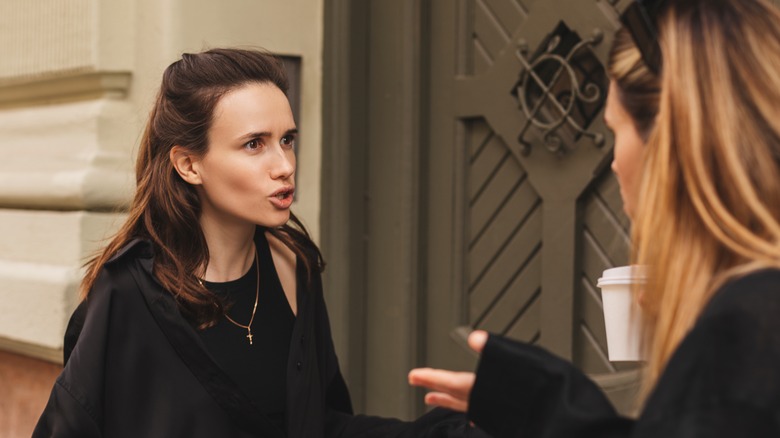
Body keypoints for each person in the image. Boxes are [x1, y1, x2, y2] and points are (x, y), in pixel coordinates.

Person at [33, 48, 486, 438]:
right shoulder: (128, 293)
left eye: (287, 140)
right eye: (254, 144)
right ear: (189, 164)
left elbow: (319, 425)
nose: (284, 165)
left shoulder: (293, 266)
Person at [409, 0, 780, 436]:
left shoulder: (743, 336)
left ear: (669, 144)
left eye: (615, 129)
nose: (616, 163)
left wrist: (551, 411)